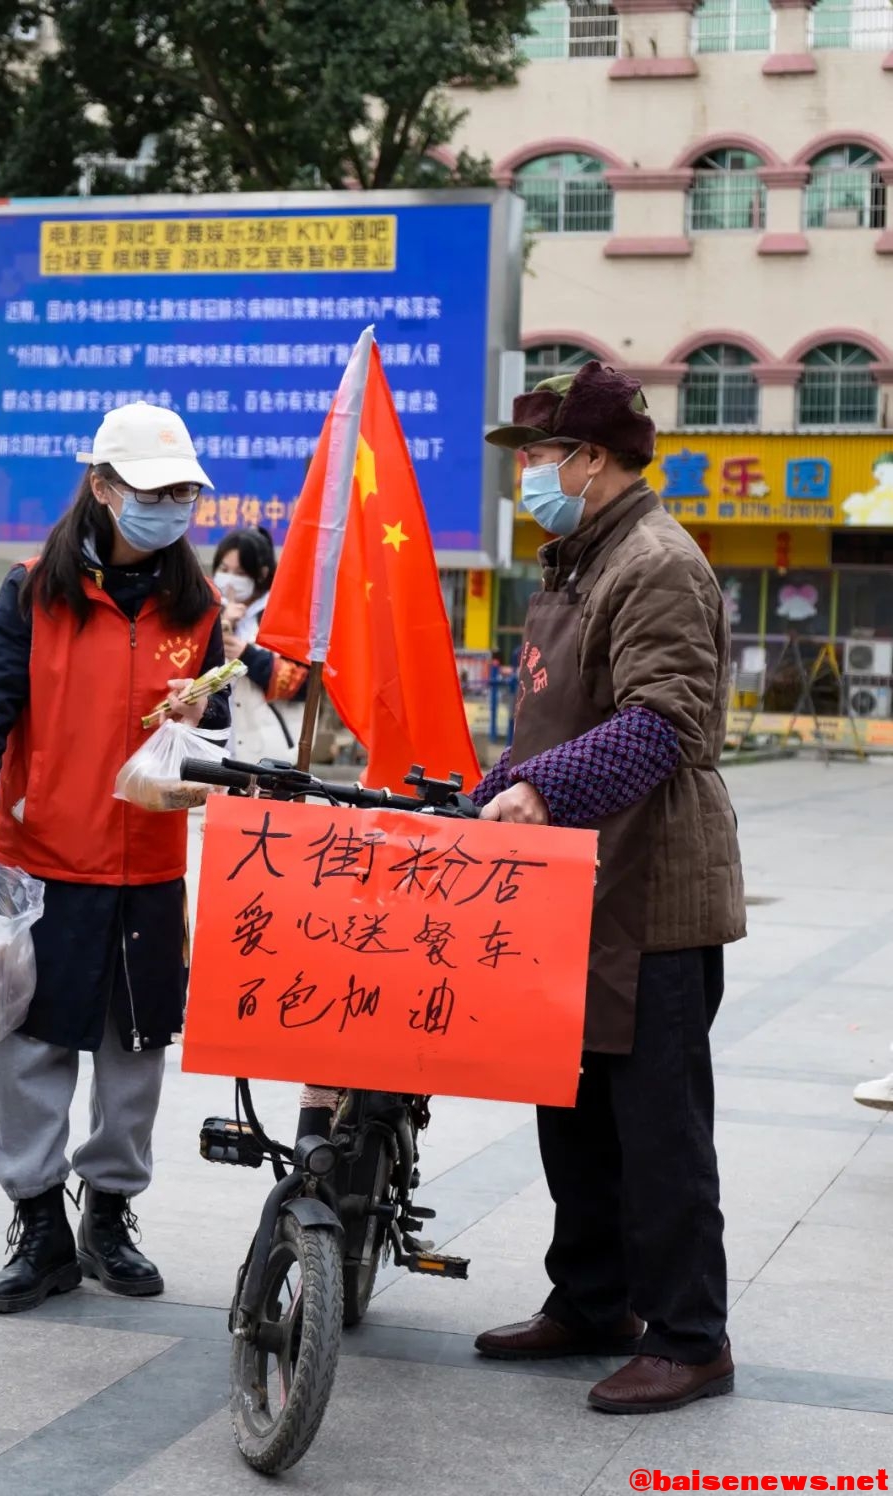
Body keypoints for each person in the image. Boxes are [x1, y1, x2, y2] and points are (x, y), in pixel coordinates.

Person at [471, 363, 745, 1414]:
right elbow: (560, 723)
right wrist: (488, 791)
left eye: (539, 456)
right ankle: (591, 1301)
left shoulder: (656, 561)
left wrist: (544, 786)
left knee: (658, 1130)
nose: (527, 473)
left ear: (593, 459)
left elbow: (662, 723)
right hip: (574, 888)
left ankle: (690, 1334)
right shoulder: (578, 562)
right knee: (572, 1111)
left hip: (654, 896)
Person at [0, 401, 229, 1315]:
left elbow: (211, 717)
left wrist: (203, 710)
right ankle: (38, 1226)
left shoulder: (198, 603)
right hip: (43, 859)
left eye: (183, 490)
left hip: (149, 866)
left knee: (135, 1055)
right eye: (152, 489)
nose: (171, 505)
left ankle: (108, 1217)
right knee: (32, 1052)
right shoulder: (33, 589)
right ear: (102, 487)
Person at [213, 526, 306, 761]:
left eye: (240, 573)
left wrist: (247, 655)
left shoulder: (283, 615)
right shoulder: (206, 610)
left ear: (262, 573)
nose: (230, 579)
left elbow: (303, 684)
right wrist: (219, 623)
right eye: (224, 570)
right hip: (213, 750)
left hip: (269, 752)